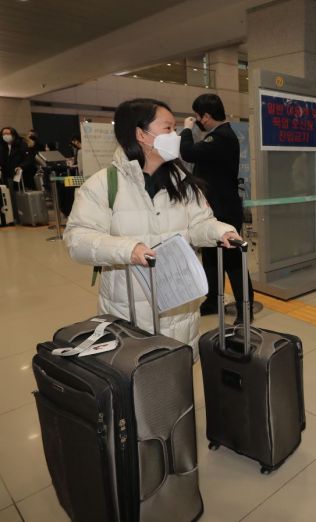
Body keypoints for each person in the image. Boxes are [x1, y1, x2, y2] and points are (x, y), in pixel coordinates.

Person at [64, 98, 243, 357]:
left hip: (178, 306)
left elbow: (199, 223)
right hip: (130, 310)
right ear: (141, 134)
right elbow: (77, 239)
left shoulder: (183, 182)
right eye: (168, 128)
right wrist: (128, 248)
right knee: (137, 378)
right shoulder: (103, 185)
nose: (176, 136)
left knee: (177, 376)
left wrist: (219, 231)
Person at [180, 93, 253, 324]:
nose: (196, 120)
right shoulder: (217, 136)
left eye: (197, 116)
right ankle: (213, 299)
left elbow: (188, 152)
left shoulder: (222, 137)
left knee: (232, 262)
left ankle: (245, 308)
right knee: (210, 258)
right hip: (210, 209)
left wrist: (186, 130)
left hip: (225, 211)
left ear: (207, 116)